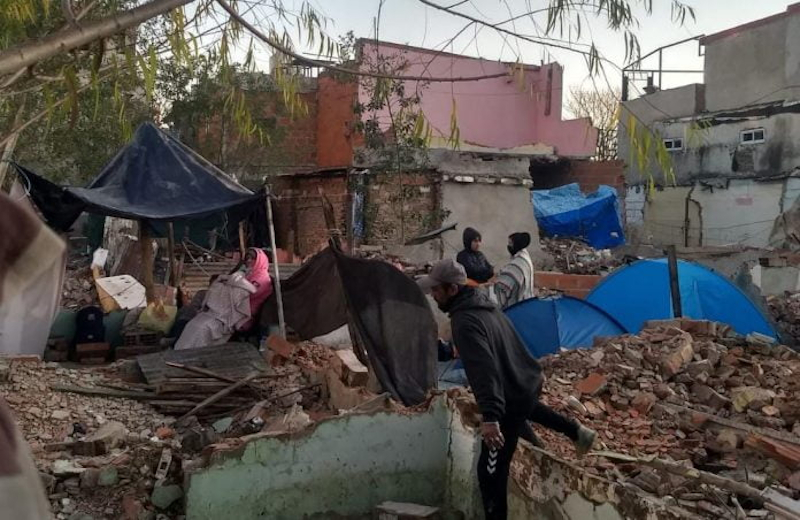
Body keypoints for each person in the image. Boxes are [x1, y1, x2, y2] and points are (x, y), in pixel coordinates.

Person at [418, 259, 596, 520]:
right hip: (525, 381)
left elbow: (483, 370)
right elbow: (479, 350)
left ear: (452, 290)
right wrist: (443, 349)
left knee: (490, 474)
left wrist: (490, 418)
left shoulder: (464, 320)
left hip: (508, 393)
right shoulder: (482, 305)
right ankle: (576, 432)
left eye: (436, 290)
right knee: (524, 408)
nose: (433, 296)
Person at [175, 248, 272, 349]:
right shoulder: (246, 274)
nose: (249, 261)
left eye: (253, 258)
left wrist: (232, 283)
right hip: (227, 310)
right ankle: (182, 348)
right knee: (194, 324)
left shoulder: (263, 279)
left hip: (242, 316)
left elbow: (245, 293)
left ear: (260, 260)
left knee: (203, 327)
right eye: (247, 258)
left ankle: (194, 350)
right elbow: (232, 285)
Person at [492, 232, 535, 309]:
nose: (508, 246)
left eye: (510, 243)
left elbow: (502, 287)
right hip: (526, 302)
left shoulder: (517, 264)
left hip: (516, 306)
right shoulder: (524, 256)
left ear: (516, 245)